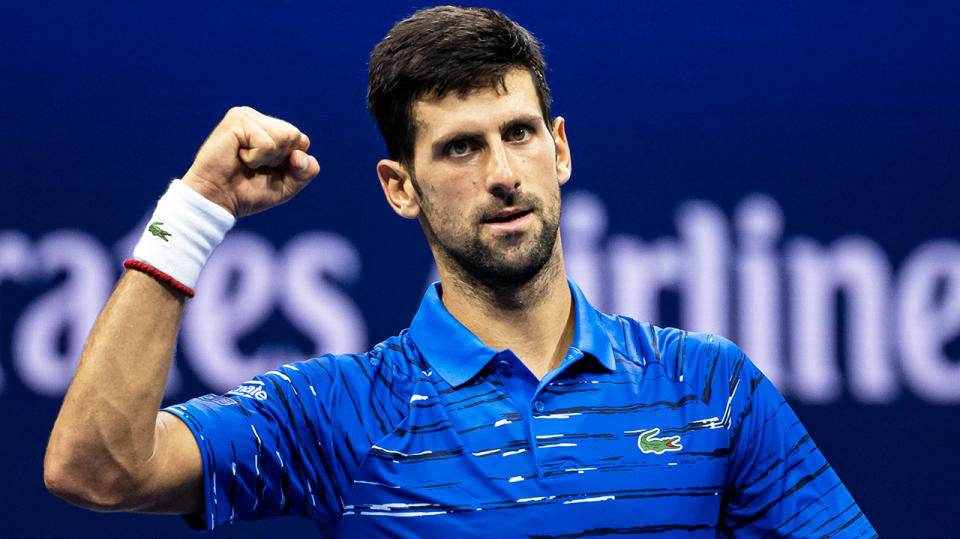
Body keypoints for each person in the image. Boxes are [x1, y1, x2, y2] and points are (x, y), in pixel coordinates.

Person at [44, 6, 876, 538]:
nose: (503, 172)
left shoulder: (712, 387)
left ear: (560, 147)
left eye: (518, 134)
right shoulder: (340, 411)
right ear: (399, 187)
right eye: (460, 147)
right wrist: (198, 207)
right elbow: (97, 467)